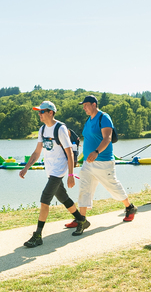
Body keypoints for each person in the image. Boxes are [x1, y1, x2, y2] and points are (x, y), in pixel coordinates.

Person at [19, 101, 87, 247]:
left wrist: (70, 174)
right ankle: (81, 220)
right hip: (50, 170)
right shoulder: (42, 129)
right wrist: (26, 168)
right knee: (62, 197)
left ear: (51, 112)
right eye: (39, 112)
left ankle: (37, 235)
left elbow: (69, 153)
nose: (39, 114)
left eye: (42, 112)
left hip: (59, 169)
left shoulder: (60, 128)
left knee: (45, 200)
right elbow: (37, 152)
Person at [75, 95, 136, 229]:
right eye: (83, 105)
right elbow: (87, 139)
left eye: (86, 105)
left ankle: (129, 207)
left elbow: (107, 138)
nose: (84, 107)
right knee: (84, 188)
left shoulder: (104, 117)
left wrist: (96, 152)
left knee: (112, 186)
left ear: (94, 105)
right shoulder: (88, 120)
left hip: (103, 162)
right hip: (88, 162)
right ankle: (82, 219)